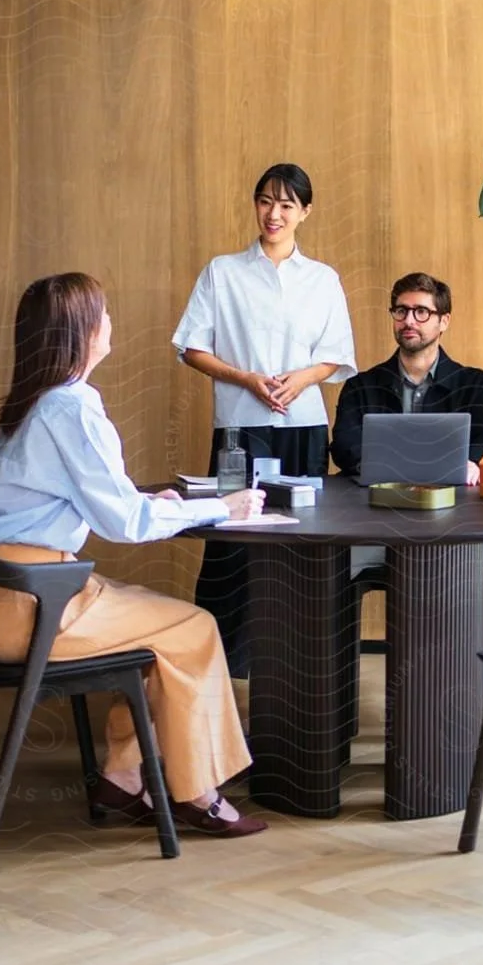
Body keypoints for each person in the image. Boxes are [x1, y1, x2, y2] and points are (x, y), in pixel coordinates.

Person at [0, 272, 269, 838]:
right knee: (193, 627)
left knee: (159, 627)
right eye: (102, 315)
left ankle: (123, 779)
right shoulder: (71, 407)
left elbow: (82, 500)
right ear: (80, 333)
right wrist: (220, 508)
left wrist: (149, 501)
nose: (109, 324)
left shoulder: (29, 405)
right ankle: (196, 793)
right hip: (36, 605)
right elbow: (123, 524)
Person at [173, 162, 356, 673]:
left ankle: (301, 656)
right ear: (255, 204)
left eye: (286, 205)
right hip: (240, 424)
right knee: (234, 537)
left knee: (305, 536)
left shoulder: (322, 279)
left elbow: (337, 354)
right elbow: (192, 348)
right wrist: (247, 378)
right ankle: (223, 660)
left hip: (304, 424)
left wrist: (301, 379)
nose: (274, 214)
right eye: (265, 201)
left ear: (305, 213)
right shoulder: (223, 271)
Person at [331, 271, 483, 651]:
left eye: (420, 312)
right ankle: (333, 701)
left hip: (457, 524)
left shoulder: (475, 383)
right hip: (374, 523)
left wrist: (471, 461)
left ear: (443, 320)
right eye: (401, 311)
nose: (408, 321)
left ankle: (479, 696)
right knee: (318, 565)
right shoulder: (360, 385)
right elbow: (345, 447)